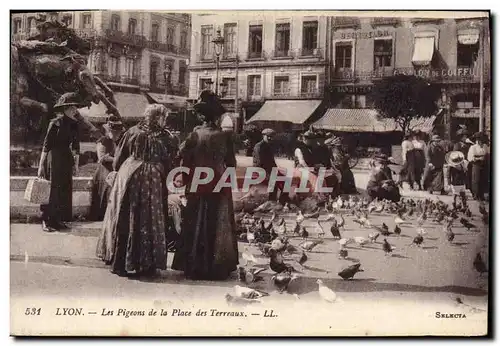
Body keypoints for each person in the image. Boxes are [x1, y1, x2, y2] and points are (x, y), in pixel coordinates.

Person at [96, 104, 176, 278]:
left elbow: (118, 160)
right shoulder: (165, 137)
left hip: (130, 175)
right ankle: (147, 264)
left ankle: (121, 263)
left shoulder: (132, 132)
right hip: (154, 180)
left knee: (127, 216)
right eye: (163, 118)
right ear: (159, 118)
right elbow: (170, 161)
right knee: (151, 219)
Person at [172, 91, 239, 281]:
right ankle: (216, 266)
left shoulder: (195, 135)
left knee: (195, 219)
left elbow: (181, 156)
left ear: (202, 116)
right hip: (219, 182)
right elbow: (232, 163)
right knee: (218, 222)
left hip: (197, 181)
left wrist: (184, 176)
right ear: (217, 117)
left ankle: (194, 264)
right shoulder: (225, 136)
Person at [37, 92, 83, 232]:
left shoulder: (75, 124)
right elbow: (46, 145)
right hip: (54, 158)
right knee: (52, 190)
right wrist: (40, 166)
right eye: (73, 107)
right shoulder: (55, 123)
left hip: (66, 158)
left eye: (75, 107)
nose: (75, 110)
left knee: (64, 189)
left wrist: (76, 165)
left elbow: (76, 147)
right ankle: (46, 221)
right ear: (66, 108)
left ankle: (57, 220)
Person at [88, 116, 125, 221]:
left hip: (114, 170)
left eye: (118, 132)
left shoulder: (120, 142)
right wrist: (116, 159)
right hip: (104, 171)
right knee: (106, 190)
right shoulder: (103, 141)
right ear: (109, 131)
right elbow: (102, 158)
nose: (117, 134)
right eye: (114, 132)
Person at [252, 128, 289, 203]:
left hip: (269, 170)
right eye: (268, 136)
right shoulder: (259, 146)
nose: (270, 138)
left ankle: (283, 200)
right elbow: (260, 162)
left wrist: (276, 170)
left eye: (271, 136)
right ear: (263, 136)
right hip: (260, 170)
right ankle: (271, 201)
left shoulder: (268, 146)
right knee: (274, 180)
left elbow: (272, 161)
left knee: (286, 180)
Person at [467, 132, 490, 201]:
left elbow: (487, 154)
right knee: (476, 180)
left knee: (483, 179)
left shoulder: (485, 146)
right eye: (480, 140)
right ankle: (476, 195)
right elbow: (470, 158)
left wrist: (485, 158)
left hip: (484, 164)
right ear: (477, 140)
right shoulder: (473, 147)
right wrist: (479, 159)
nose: (481, 142)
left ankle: (481, 195)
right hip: (476, 164)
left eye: (482, 141)